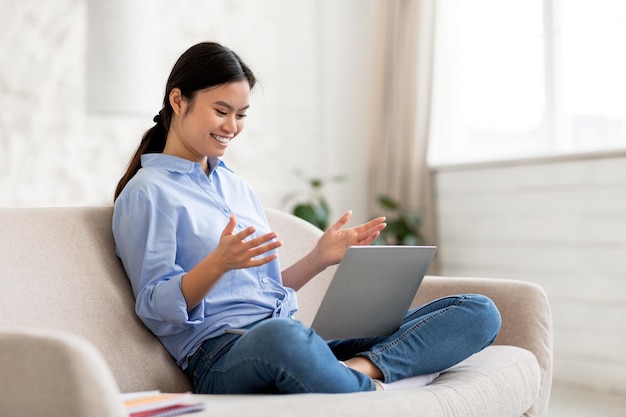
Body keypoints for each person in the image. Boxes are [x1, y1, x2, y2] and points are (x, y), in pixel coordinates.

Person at [112, 41, 501, 394]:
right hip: (222, 356)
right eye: (221, 111)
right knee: (282, 339)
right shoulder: (148, 192)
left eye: (242, 114)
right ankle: (377, 392)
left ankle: (356, 372)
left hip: (293, 338)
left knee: (477, 311)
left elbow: (260, 291)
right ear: (178, 101)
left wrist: (319, 257)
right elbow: (154, 306)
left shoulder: (233, 185)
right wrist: (217, 264)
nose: (232, 127)